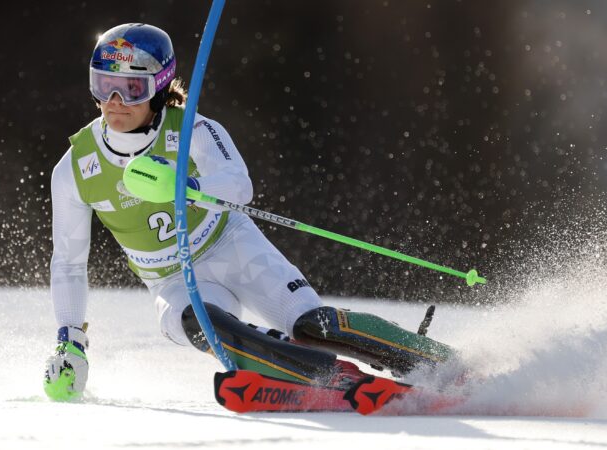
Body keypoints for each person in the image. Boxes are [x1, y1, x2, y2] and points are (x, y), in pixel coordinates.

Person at [44, 23, 454, 401]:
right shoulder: (75, 168)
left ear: (158, 86)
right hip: (172, 281)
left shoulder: (192, 130)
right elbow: (67, 262)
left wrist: (189, 189)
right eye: (104, 86)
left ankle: (442, 363)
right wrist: (71, 340)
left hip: (232, 246)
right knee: (203, 324)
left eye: (131, 89)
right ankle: (324, 377)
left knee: (311, 324)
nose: (114, 103)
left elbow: (239, 184)